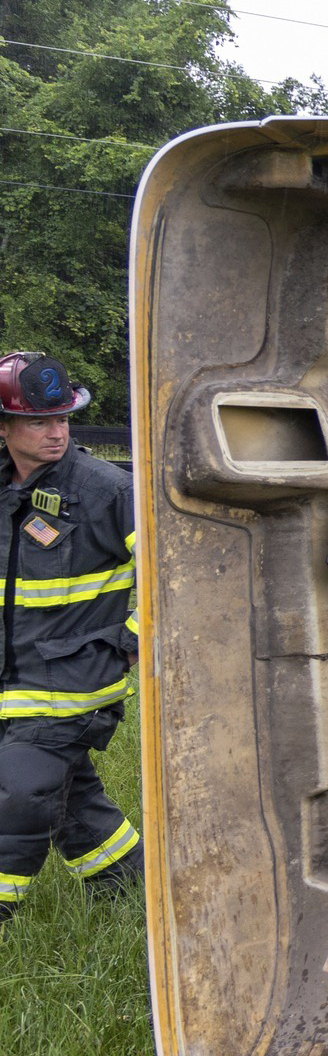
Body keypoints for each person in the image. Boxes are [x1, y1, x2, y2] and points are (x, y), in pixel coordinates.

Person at [0, 352, 142, 922]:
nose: (57, 432)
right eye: (39, 422)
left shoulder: (108, 490)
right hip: (13, 679)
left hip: (72, 682)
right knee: (71, 797)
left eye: (62, 418)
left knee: (20, 790)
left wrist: (129, 642)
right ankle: (127, 886)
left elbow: (177, 573)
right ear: (5, 428)